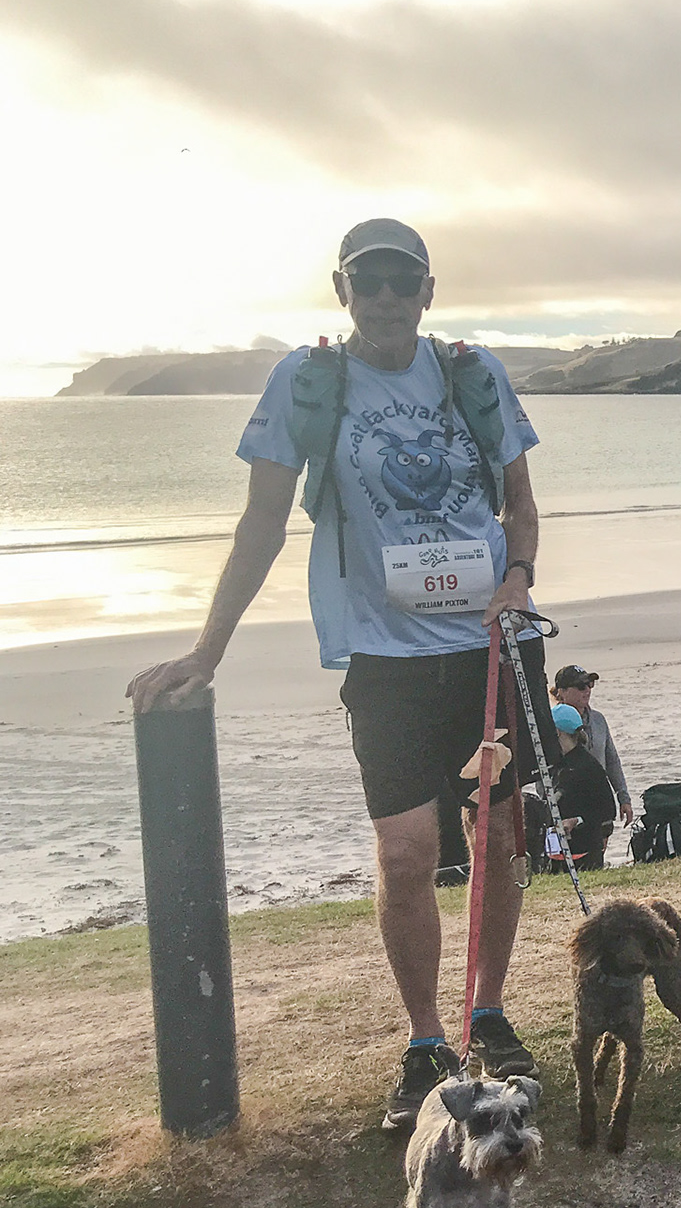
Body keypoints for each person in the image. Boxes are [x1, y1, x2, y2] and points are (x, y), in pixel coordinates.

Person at [125, 219, 553, 1130]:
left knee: (499, 840)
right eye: (371, 283)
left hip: (487, 647)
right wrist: (208, 651)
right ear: (343, 290)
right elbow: (262, 524)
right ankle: (425, 1039)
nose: (388, 298)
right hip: (386, 660)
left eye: (405, 281)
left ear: (429, 292)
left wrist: (518, 579)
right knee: (405, 854)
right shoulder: (307, 381)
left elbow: (520, 506)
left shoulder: (472, 373)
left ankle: (488, 1013)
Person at [551, 664, 631, 825]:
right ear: (562, 691)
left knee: (599, 848)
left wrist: (623, 797)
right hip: (566, 808)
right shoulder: (552, 723)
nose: (587, 690)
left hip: (599, 804)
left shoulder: (598, 719)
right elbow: (542, 772)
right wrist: (550, 810)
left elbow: (612, 760)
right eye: (581, 686)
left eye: (590, 684)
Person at [549, 703, 618, 868]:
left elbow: (608, 809)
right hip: (558, 851)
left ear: (556, 732)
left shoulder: (588, 766)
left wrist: (577, 820)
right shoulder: (557, 763)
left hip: (585, 853)